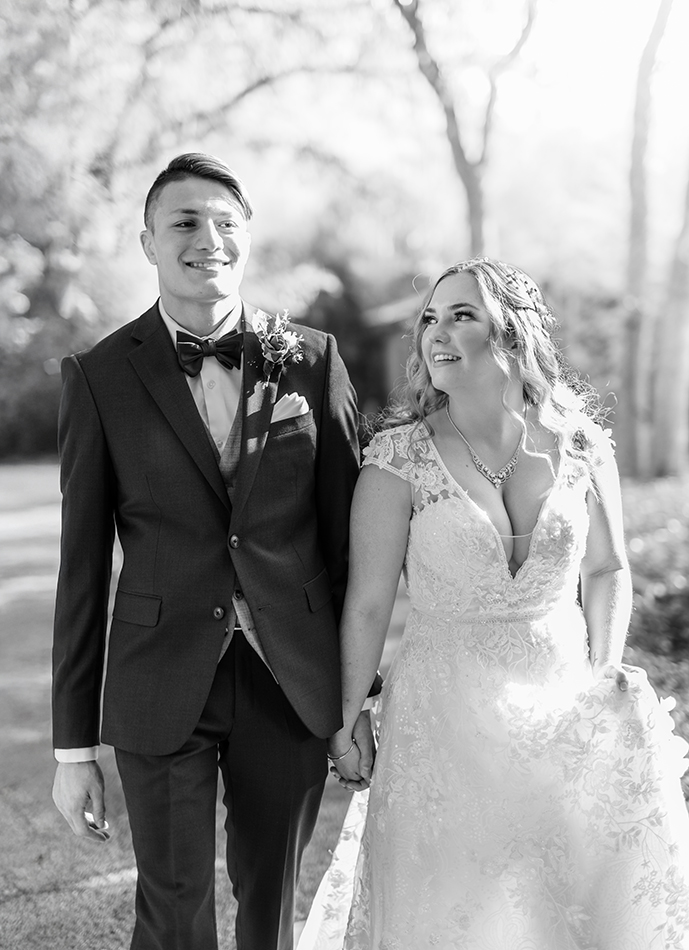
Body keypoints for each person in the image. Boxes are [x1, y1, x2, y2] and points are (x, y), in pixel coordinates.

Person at [299, 258, 689, 949]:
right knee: (450, 904)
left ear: (512, 334)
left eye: (461, 315)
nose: (435, 333)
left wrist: (604, 677)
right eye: (429, 318)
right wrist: (345, 717)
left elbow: (606, 569)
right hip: (440, 717)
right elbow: (366, 602)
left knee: (561, 897)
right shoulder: (397, 459)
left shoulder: (581, 444)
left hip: (564, 704)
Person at [51, 152, 376, 950]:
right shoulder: (97, 377)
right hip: (159, 679)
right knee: (173, 908)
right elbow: (82, 568)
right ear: (149, 242)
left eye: (226, 222)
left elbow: (347, 545)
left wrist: (353, 700)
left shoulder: (314, 359)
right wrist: (72, 747)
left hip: (287, 677)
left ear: (248, 240)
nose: (209, 239)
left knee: (270, 908)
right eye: (185, 222)